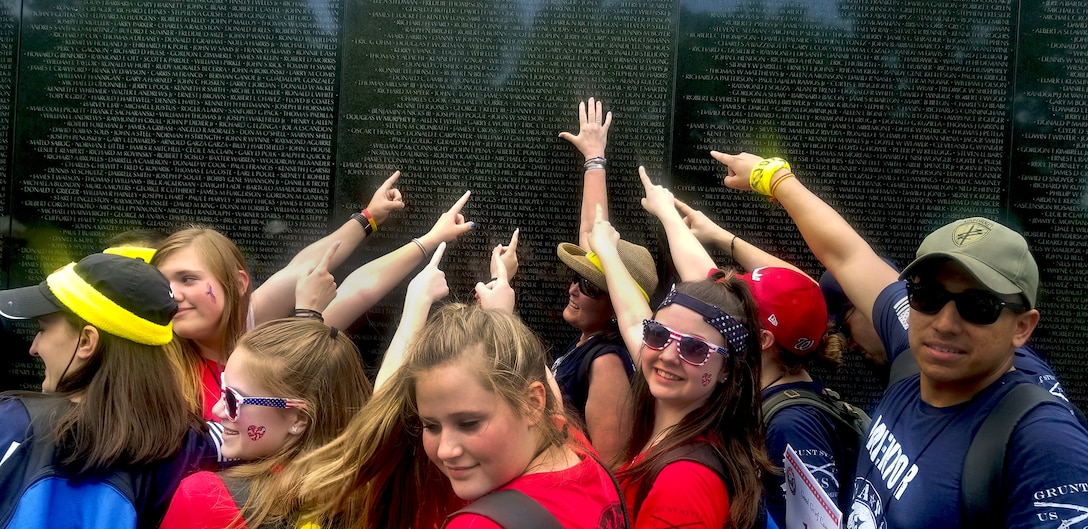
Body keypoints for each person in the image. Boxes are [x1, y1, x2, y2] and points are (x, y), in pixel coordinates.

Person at [713, 151, 1088, 528]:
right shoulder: (913, 349)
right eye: (927, 296)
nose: (944, 322)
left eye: (978, 306)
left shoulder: (1041, 442)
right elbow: (847, 256)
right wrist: (771, 178)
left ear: (1022, 327)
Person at [274, 244, 626, 529]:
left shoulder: (482, 523)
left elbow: (386, 397)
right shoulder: (574, 449)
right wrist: (503, 314)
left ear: (533, 403)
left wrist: (417, 301)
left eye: (469, 423)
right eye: (430, 425)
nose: (445, 450)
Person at [152, 180, 472, 419]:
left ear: (237, 283)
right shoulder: (155, 364)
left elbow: (337, 280)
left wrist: (414, 233)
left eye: (188, 279)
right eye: (161, 282)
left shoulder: (261, 337)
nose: (172, 294)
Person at [0, 253, 222, 528]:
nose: (34, 347)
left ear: (86, 341)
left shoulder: (13, 424)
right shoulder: (194, 447)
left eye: (43, 329)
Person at [587, 202, 771, 529]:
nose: (668, 355)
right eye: (658, 334)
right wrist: (605, 249)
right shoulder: (680, 431)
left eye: (695, 348)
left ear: (726, 369)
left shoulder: (685, 483)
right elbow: (632, 318)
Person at [160, 318, 372, 529]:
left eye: (233, 399)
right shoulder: (370, 498)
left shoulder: (206, 497)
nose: (217, 410)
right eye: (223, 390)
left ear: (298, 418)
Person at [553, 97, 659, 463]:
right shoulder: (593, 342)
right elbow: (591, 233)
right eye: (575, 278)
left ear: (615, 306)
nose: (573, 288)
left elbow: (610, 467)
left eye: (590, 286)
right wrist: (594, 158)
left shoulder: (607, 365)